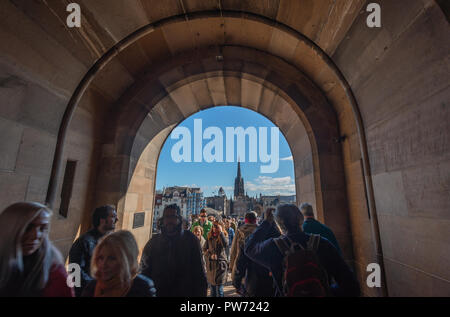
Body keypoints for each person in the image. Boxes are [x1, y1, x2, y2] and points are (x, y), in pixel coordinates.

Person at [244, 204, 360, 297]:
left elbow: (249, 248)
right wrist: (328, 291)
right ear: (301, 220)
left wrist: (267, 222)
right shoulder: (322, 243)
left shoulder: (273, 247)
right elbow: (351, 285)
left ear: (280, 224)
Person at [0, 202, 74, 297]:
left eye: (43, 228)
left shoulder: (55, 275)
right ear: (9, 229)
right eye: (28, 227)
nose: (36, 236)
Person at [141, 204, 207, 297]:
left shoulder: (191, 240)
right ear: (163, 220)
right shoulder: (154, 242)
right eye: (167, 217)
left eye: (173, 217)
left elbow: (199, 273)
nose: (169, 220)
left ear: (179, 219)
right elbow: (145, 271)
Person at [81, 230, 156, 297]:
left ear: (127, 261)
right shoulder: (92, 287)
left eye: (112, 258)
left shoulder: (141, 288)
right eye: (101, 258)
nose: (103, 264)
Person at [68, 205, 117, 296]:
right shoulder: (83, 242)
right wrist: (96, 287)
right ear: (102, 220)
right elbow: (74, 272)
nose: (116, 219)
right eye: (113, 217)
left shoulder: (112, 242)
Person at [232, 210, 277, 297]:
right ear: (256, 219)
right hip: (271, 282)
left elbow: (237, 256)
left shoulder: (241, 232)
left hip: (252, 280)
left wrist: (236, 282)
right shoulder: (278, 236)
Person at [203, 221, 228, 297]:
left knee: (219, 290)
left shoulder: (224, 236)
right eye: (214, 226)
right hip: (211, 267)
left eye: (216, 226)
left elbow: (225, 245)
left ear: (221, 227)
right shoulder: (209, 236)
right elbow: (204, 249)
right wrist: (210, 256)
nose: (214, 228)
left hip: (220, 266)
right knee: (212, 291)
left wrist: (221, 233)